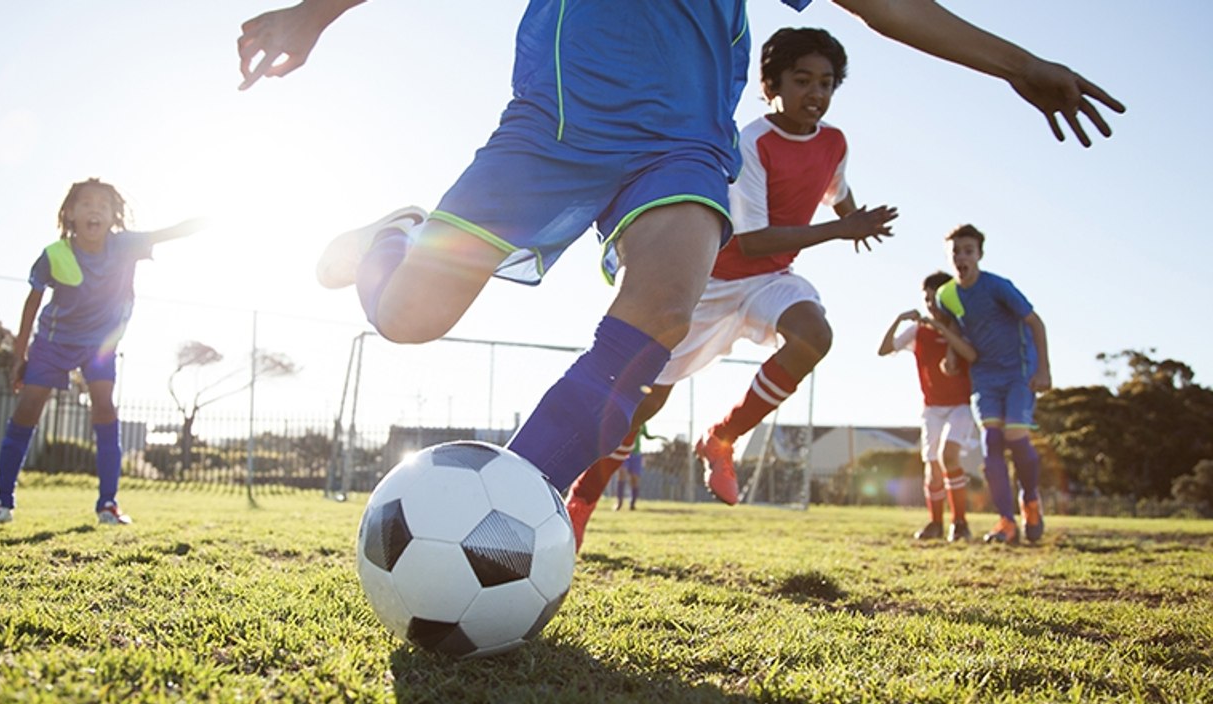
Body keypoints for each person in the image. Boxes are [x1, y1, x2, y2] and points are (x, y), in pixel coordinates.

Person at [236, 0, 1122, 503]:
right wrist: (316, 15)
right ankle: (399, 238)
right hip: (549, 131)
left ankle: (510, 503)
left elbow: (885, 6)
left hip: (682, 144)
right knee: (408, 321)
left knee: (659, 309)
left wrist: (1017, 63)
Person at [562, 26, 894, 550]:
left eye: (826, 83)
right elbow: (757, 239)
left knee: (814, 335)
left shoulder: (835, 142)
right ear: (772, 87)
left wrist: (856, 218)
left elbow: (837, 189)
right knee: (644, 406)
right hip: (712, 281)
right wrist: (840, 229)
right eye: (802, 80)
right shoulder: (751, 143)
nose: (816, 94)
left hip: (768, 281)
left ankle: (723, 438)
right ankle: (583, 498)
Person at [0, 179, 205, 526]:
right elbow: (32, 304)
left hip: (100, 344)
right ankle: (2, 501)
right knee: (29, 407)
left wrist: (210, 219)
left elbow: (171, 232)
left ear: (113, 216)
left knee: (105, 408)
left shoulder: (126, 245)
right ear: (70, 214)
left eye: (103, 205)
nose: (95, 209)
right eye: (86, 204)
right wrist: (20, 356)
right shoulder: (54, 254)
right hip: (54, 341)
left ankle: (108, 504)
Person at [936, 224, 1050, 544]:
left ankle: (1030, 500)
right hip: (984, 376)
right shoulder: (947, 294)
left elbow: (1035, 322)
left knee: (1015, 435)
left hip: (1018, 372)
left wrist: (1044, 370)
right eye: (956, 251)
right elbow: (954, 326)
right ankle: (1006, 521)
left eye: (968, 251)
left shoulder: (999, 287)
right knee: (992, 442)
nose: (961, 257)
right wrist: (951, 356)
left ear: (979, 255)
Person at [878, 271, 979, 543]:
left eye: (936, 299)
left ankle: (960, 523)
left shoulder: (962, 327)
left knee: (949, 456)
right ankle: (935, 523)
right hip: (932, 408)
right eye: (927, 300)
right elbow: (884, 349)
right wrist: (899, 319)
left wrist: (946, 333)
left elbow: (972, 355)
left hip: (960, 405)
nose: (932, 305)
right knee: (932, 465)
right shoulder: (918, 331)